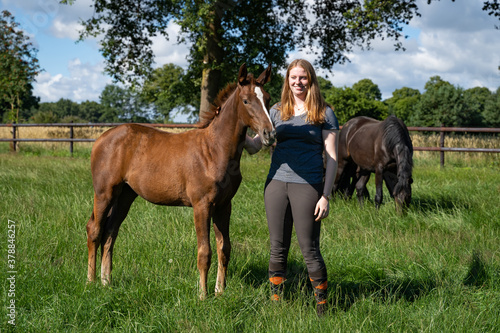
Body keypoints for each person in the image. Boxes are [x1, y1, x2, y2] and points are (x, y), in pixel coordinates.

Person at [245, 59, 339, 316]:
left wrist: (326, 196)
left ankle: (322, 307)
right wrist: (236, 130)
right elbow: (255, 147)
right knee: (277, 246)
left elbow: (332, 157)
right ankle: (276, 303)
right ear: (287, 81)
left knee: (309, 248)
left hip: (308, 185)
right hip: (276, 184)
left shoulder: (323, 112)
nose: (298, 82)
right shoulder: (276, 111)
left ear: (311, 80)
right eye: (293, 78)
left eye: (303, 77)